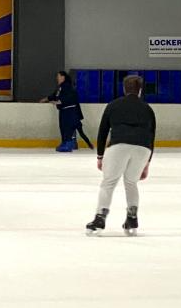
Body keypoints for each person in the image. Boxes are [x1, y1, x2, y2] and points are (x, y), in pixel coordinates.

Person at [86, 75, 156, 236]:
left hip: (119, 145)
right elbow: (151, 135)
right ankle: (132, 217)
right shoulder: (147, 109)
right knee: (131, 182)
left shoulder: (113, 105)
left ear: (124, 89)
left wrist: (100, 156)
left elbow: (103, 131)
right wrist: (147, 162)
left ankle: (100, 217)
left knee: (109, 182)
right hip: (143, 148)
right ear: (140, 90)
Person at [41, 71, 81, 152]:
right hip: (63, 110)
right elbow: (55, 95)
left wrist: (60, 101)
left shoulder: (67, 86)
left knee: (67, 127)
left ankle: (69, 143)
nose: (57, 78)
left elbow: (70, 96)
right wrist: (46, 99)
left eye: (58, 76)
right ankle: (65, 142)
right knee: (63, 127)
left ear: (63, 77)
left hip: (69, 110)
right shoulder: (60, 87)